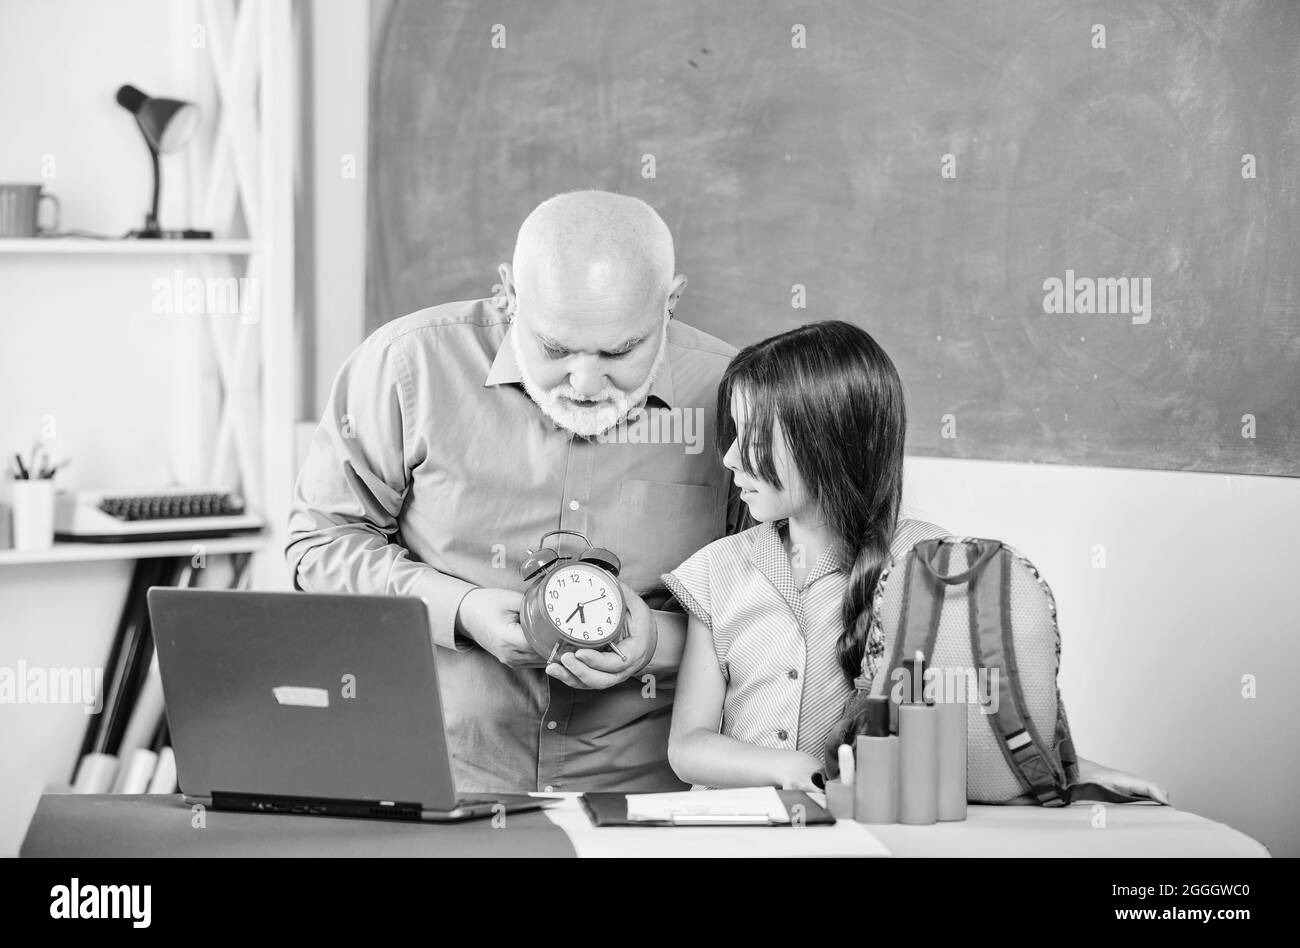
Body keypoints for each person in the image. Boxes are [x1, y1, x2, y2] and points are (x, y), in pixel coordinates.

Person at [287, 190, 742, 793]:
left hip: (648, 791)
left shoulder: (737, 395)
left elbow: (783, 603)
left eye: (620, 351)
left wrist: (657, 643)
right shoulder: (405, 366)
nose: (583, 384)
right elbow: (318, 547)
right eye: (555, 348)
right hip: (437, 774)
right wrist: (460, 609)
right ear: (509, 290)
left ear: (671, 302)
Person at [664, 321, 1170, 803]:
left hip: (870, 834)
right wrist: (784, 767)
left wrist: (1077, 770)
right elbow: (688, 747)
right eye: (731, 436)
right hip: (733, 833)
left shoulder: (931, 566)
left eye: (750, 438)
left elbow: (976, 723)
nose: (729, 459)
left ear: (825, 442)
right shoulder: (717, 572)